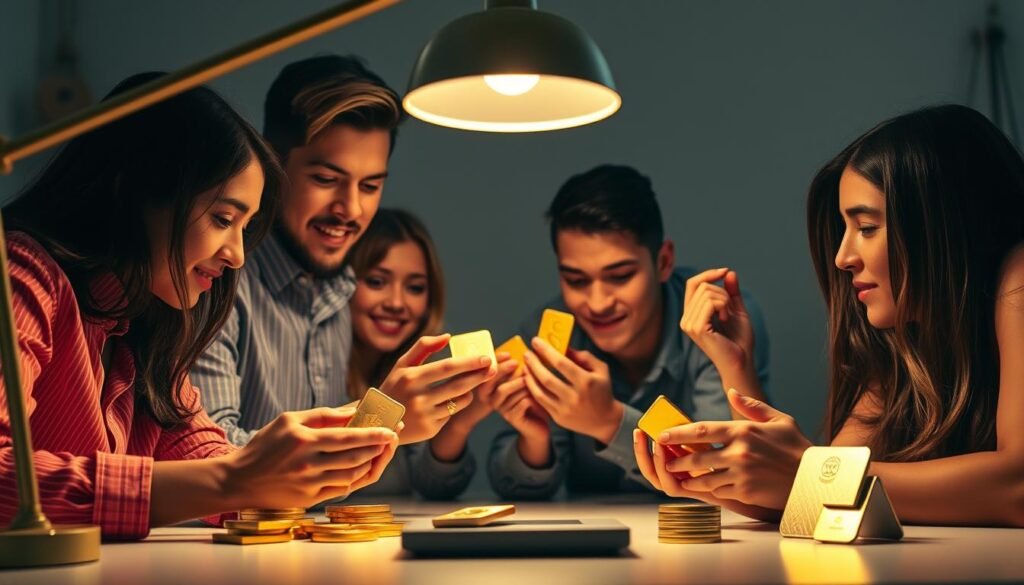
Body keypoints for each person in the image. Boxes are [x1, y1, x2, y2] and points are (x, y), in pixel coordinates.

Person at [0, 74, 399, 540]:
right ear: (138, 190)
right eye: (223, 219)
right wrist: (234, 479)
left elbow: (202, 452)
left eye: (244, 228)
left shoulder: (145, 320)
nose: (237, 255)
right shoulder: (22, 276)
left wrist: (321, 452)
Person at [635, 105, 1024, 527]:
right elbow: (811, 500)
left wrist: (808, 469)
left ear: (943, 224)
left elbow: (1017, 489)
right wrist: (734, 366)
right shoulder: (902, 350)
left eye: (867, 227)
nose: (842, 257)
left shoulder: (1019, 275)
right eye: (844, 229)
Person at [193, 56, 496, 456]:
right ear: (270, 166)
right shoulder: (215, 280)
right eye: (325, 180)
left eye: (370, 186)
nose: (350, 209)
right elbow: (212, 460)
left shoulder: (342, 290)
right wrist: (383, 420)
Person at [488, 164, 770, 499]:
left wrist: (608, 421)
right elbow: (515, 488)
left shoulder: (717, 318)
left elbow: (726, 472)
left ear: (663, 262)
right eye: (576, 280)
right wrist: (534, 441)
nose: (597, 303)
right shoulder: (546, 331)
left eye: (620, 276)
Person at [345, 208, 518, 498]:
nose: (397, 302)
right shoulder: (320, 370)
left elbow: (433, 484)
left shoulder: (422, 370)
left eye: (414, 287)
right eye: (377, 282)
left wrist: (464, 418)